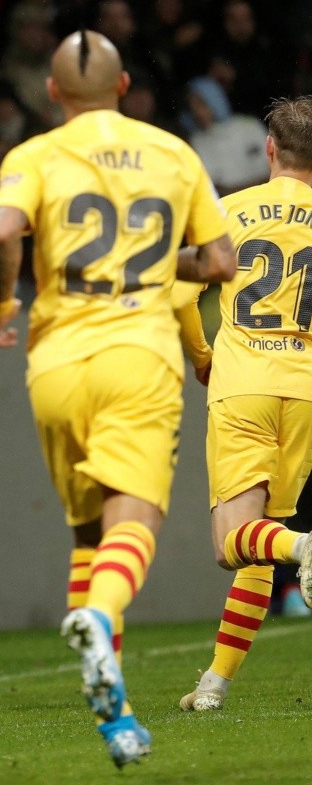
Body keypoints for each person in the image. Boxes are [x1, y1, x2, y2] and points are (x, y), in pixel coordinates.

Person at [0, 30, 235, 768]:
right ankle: (95, 617)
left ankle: (117, 715)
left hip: (55, 365)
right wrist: (158, 262)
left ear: (53, 93)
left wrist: (1, 303)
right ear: (125, 89)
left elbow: (1, 230)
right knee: (136, 520)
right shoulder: (173, 152)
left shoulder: (33, 154)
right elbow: (218, 261)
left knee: (90, 534)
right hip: (138, 357)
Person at [177, 95, 312, 712]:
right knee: (261, 536)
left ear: (270, 150)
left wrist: (202, 354)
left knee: (232, 542)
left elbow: (180, 293)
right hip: (306, 392)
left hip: (244, 385)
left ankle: (304, 547)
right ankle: (214, 685)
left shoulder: (228, 212)